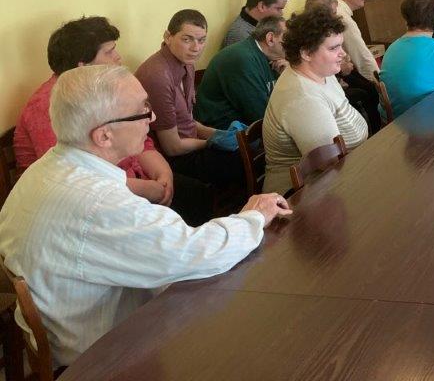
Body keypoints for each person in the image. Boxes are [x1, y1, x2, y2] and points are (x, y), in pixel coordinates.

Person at [0, 64, 292, 368]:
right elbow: (194, 254)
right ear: (103, 136)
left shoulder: (46, 167)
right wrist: (254, 216)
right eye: (142, 111)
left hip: (70, 328)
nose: (151, 119)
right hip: (99, 357)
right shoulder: (99, 204)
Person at [14, 16, 208, 225]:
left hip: (130, 181)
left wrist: (163, 173)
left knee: (197, 194)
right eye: (109, 52)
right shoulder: (50, 106)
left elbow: (142, 140)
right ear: (83, 66)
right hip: (86, 204)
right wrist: (149, 189)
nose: (118, 57)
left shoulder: (100, 89)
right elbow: (75, 179)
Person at [135, 10, 245, 192]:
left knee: (245, 148)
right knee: (239, 161)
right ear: (168, 37)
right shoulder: (158, 76)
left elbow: (188, 122)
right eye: (187, 39)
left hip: (189, 143)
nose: (196, 48)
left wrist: (219, 134)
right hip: (169, 158)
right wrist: (212, 142)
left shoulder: (187, 63)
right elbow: (172, 147)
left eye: (201, 40)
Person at [262, 7, 369, 194]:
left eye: (341, 45)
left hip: (343, 174)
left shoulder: (322, 73)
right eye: (334, 48)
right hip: (301, 195)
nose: (343, 53)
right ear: (306, 53)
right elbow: (329, 165)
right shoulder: (303, 99)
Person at [194, 16, 286, 130]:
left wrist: (288, 75)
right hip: (223, 132)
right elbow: (260, 115)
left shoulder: (276, 60)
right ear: (270, 39)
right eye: (287, 39)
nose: (293, 44)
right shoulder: (242, 58)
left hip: (248, 129)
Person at [334, 0, 384, 133]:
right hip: (338, 71)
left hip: (339, 68)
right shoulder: (343, 17)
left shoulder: (341, 11)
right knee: (371, 91)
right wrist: (379, 81)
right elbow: (362, 57)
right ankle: (376, 134)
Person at [222, 0, 291, 48]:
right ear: (262, 6)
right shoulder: (240, 35)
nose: (281, 14)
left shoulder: (264, 24)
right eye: (278, 9)